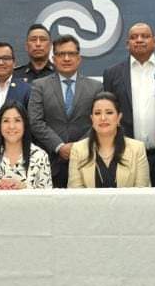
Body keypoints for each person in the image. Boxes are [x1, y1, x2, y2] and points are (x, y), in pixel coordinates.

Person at [101, 22, 155, 182]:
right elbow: (108, 113)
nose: (139, 40)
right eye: (134, 37)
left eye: (145, 36)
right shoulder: (112, 74)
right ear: (127, 44)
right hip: (125, 154)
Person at [28, 34, 102, 187]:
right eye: (61, 54)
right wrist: (59, 146)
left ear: (79, 58)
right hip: (50, 161)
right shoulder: (39, 86)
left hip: (86, 160)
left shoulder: (96, 87)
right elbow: (35, 121)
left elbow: (99, 122)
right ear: (54, 59)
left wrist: (78, 148)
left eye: (71, 54)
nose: (66, 58)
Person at [68, 92, 150, 188]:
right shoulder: (77, 150)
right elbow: (75, 193)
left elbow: (142, 192)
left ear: (119, 117)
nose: (103, 118)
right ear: (92, 119)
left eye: (109, 112)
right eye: (97, 113)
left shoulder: (137, 149)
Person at [0, 102, 51, 189]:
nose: (12, 126)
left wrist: (24, 188)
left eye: (17, 120)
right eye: (6, 121)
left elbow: (48, 195)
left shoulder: (40, 156)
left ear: (25, 124)